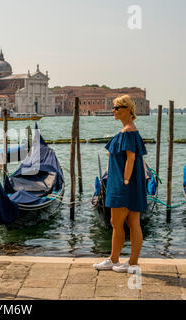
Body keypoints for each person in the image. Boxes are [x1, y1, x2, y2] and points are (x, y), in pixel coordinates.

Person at [93, 95, 147, 274]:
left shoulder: (128, 131)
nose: (113, 110)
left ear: (128, 110)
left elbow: (131, 158)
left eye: (117, 107)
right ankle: (132, 263)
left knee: (116, 222)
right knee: (133, 222)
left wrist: (124, 181)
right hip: (132, 183)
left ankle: (114, 259)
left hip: (123, 184)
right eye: (114, 107)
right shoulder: (130, 130)